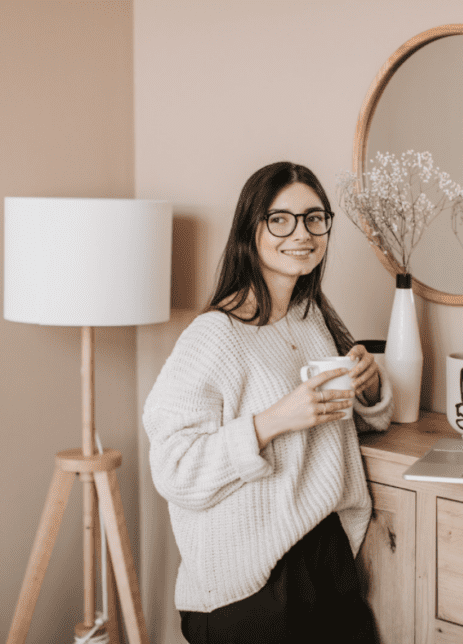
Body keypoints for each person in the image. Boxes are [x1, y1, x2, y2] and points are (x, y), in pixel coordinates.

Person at [143, 161, 393, 643]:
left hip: (325, 558)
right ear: (249, 229)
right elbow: (173, 468)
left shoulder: (312, 318)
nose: (302, 233)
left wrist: (368, 391)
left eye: (314, 218)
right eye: (281, 219)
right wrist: (270, 422)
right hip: (253, 582)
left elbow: (328, 432)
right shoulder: (215, 335)